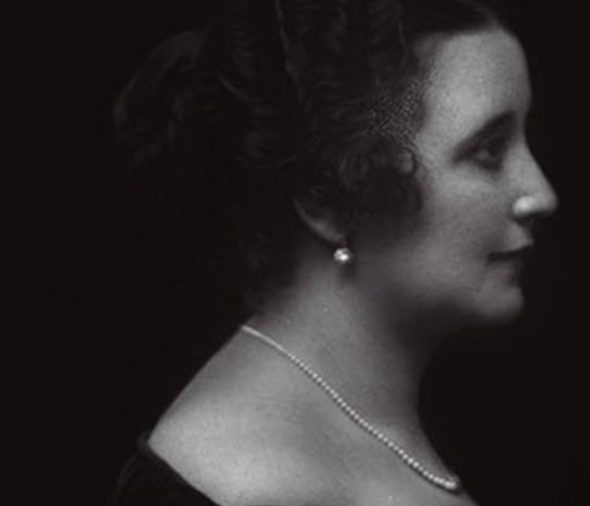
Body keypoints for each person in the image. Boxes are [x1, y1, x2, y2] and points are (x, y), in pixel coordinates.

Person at [109, 0, 558, 504]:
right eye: (489, 150)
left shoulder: (393, 415)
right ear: (327, 197)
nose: (541, 194)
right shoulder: (252, 484)